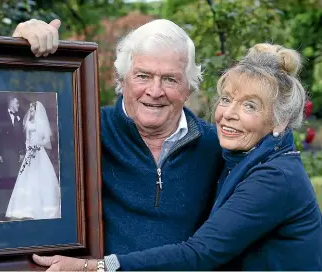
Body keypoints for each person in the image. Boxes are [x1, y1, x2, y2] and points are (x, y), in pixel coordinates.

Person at [78, 44, 322, 270]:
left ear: (280, 120)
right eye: (226, 100)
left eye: (250, 106)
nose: (229, 114)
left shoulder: (274, 177)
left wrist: (97, 267)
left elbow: (200, 253)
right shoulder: (237, 157)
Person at [12, 18, 224, 270]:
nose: (155, 91)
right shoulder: (84, 130)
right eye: (143, 76)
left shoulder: (216, 145)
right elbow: (11, 109)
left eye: (170, 79)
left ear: (189, 88)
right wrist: (17, 48)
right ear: (122, 81)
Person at [6, 101, 61, 220]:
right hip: (30, 152)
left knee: (40, 177)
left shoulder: (41, 122)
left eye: (32, 108)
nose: (30, 110)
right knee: (27, 176)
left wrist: (38, 144)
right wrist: (28, 148)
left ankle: (43, 207)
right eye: (30, 108)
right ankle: (25, 208)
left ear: (37, 110)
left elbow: (46, 139)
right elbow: (27, 139)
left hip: (39, 151)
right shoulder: (27, 122)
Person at [0, 95, 25, 221]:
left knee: (15, 180)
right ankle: (4, 210)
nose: (18, 105)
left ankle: (13, 208)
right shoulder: (2, 117)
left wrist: (21, 152)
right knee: (6, 180)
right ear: (11, 103)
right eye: (17, 103)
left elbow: (20, 138)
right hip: (6, 153)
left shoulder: (19, 117)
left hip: (16, 153)